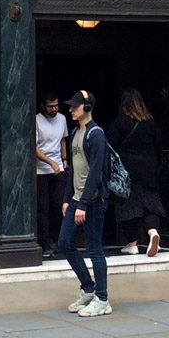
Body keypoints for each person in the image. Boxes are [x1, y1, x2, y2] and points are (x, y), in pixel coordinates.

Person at [58, 89, 111, 317]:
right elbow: (73, 170)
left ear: (87, 108)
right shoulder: (74, 132)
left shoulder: (96, 134)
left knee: (94, 248)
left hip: (93, 201)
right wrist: (68, 199)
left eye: (75, 106)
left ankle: (102, 298)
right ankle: (88, 288)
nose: (70, 110)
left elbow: (96, 173)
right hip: (77, 200)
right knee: (64, 243)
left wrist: (83, 204)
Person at [107, 88, 164, 257]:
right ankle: (153, 233)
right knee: (151, 206)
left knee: (128, 207)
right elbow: (159, 144)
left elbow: (110, 145)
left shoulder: (119, 122)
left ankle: (132, 244)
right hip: (149, 170)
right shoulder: (150, 123)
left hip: (127, 171)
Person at [35, 92, 69, 258]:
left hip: (58, 169)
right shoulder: (36, 120)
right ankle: (45, 242)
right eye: (50, 106)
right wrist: (50, 162)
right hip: (40, 170)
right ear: (43, 106)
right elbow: (33, 147)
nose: (54, 109)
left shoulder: (62, 119)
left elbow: (62, 140)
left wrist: (64, 159)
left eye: (56, 106)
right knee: (43, 207)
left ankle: (57, 240)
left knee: (59, 205)